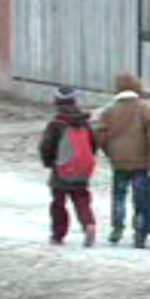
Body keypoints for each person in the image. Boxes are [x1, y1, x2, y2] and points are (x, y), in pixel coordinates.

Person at [97, 73, 150, 249]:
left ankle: (117, 228)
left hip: (119, 161)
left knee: (119, 195)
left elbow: (100, 136)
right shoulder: (146, 109)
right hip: (141, 161)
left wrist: (109, 152)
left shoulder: (109, 111)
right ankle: (140, 233)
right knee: (140, 198)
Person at [39, 86, 98, 247]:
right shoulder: (84, 122)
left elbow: (46, 146)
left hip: (61, 168)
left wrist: (48, 162)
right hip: (82, 169)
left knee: (58, 202)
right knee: (81, 199)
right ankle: (89, 224)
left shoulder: (56, 124)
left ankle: (58, 235)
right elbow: (93, 144)